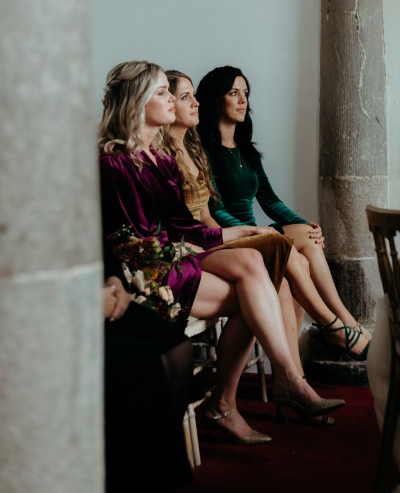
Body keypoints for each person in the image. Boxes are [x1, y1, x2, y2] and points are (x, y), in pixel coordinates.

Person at [98, 60, 345, 449]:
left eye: (168, 91)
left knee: (254, 261)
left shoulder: (160, 160)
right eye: (162, 92)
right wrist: (199, 245)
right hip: (148, 271)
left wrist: (240, 230)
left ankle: (279, 384)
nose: (171, 100)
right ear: (136, 101)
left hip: (177, 253)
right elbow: (136, 242)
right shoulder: (114, 162)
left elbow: (184, 225)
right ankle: (271, 387)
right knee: (254, 291)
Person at [164, 69, 369, 365]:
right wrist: (252, 232)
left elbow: (270, 199)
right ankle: (334, 331)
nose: (242, 100)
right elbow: (214, 210)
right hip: (230, 231)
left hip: (248, 231)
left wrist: (306, 224)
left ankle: (346, 324)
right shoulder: (205, 150)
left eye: (245, 93)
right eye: (234, 93)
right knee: (293, 260)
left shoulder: (245, 152)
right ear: (217, 99)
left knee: (309, 240)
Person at [103, 238, 194, 492]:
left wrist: (115, 282)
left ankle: (158, 457)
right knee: (140, 361)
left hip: (102, 296)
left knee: (178, 348)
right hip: (52, 313)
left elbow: (96, 245)